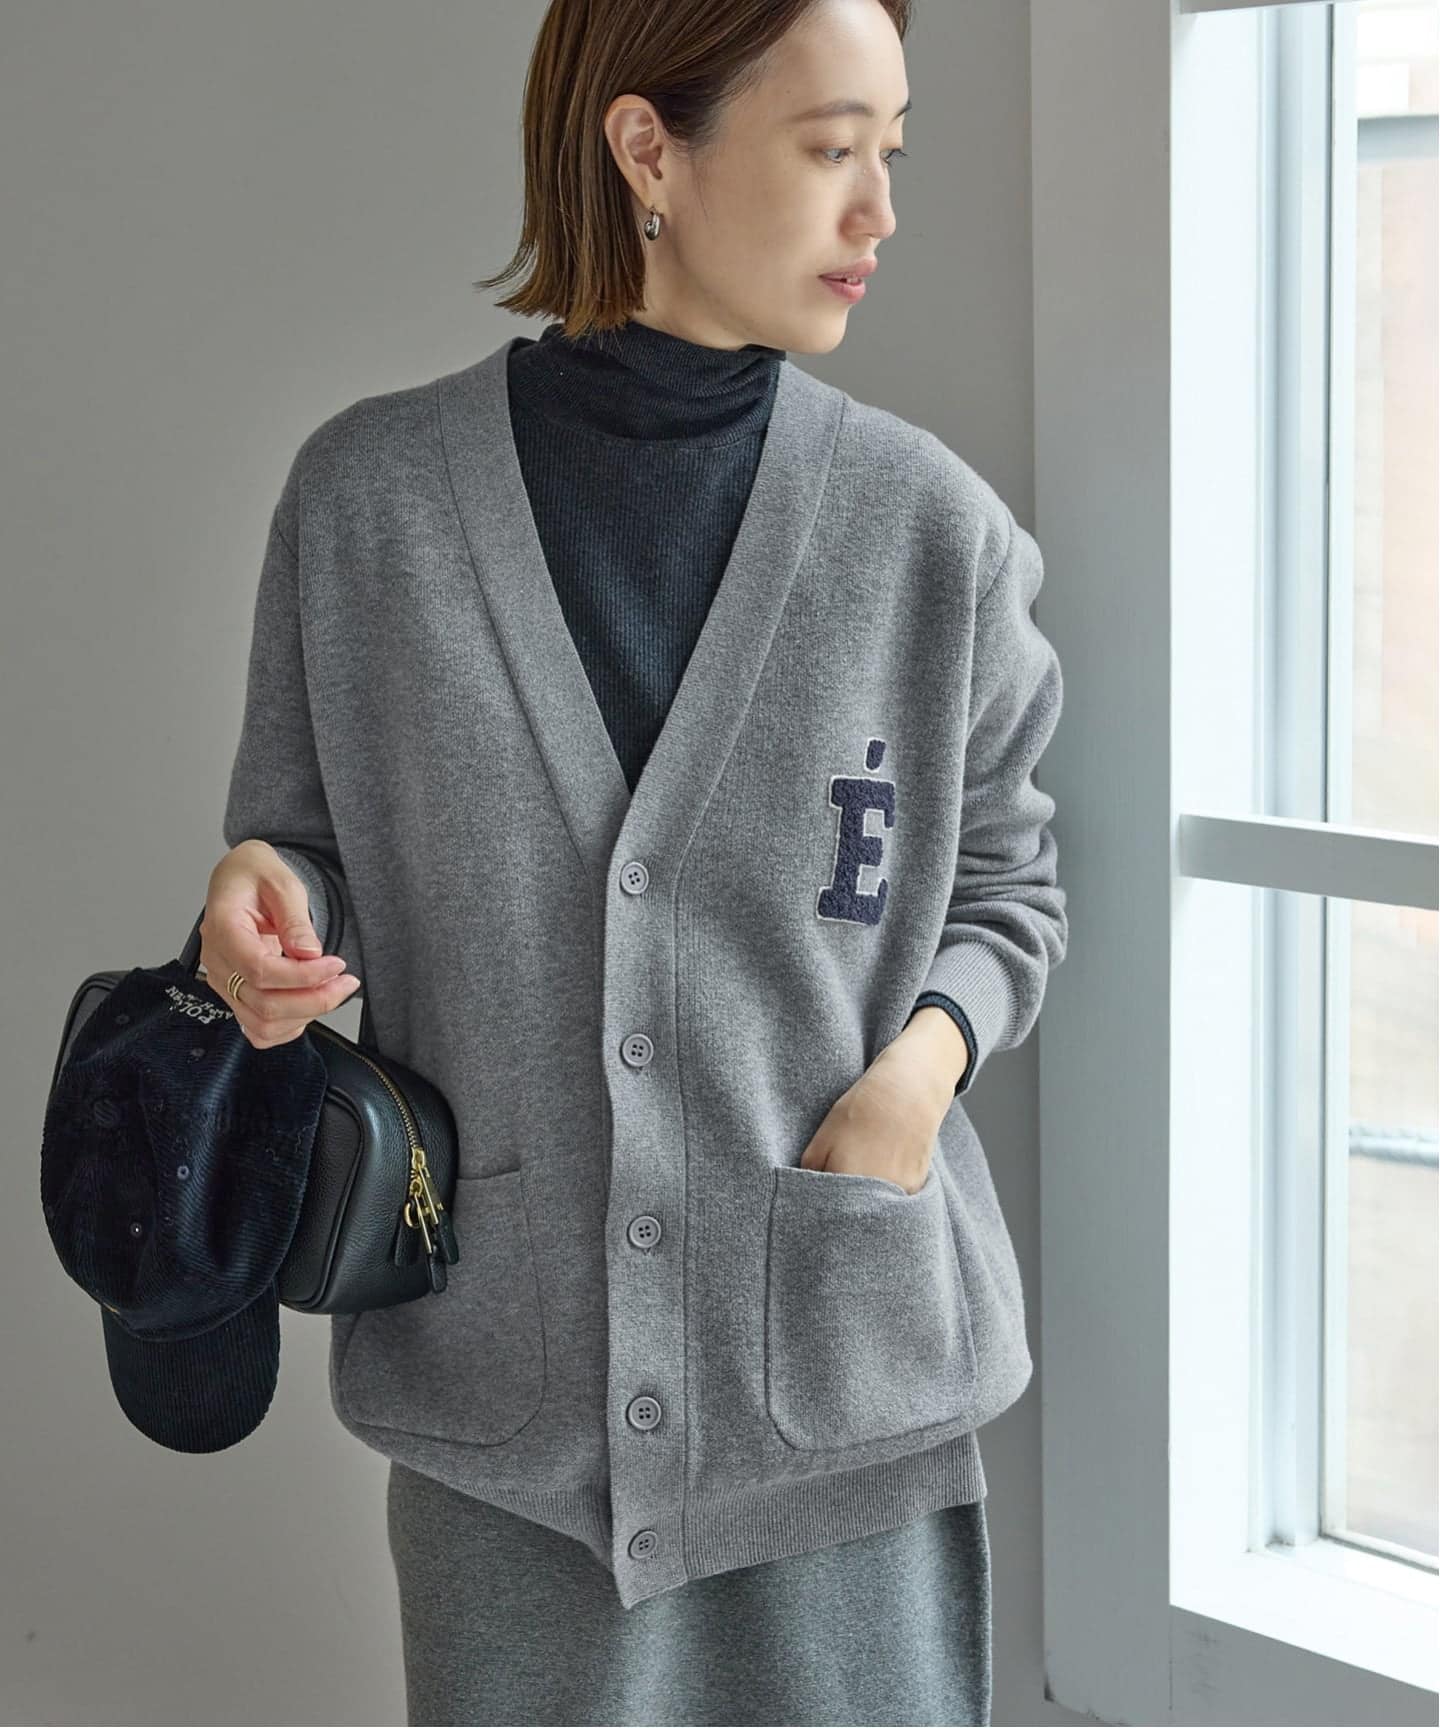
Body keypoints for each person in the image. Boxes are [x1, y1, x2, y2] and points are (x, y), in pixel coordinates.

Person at [208, 0, 1069, 1720]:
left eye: (892, 152)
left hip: (844, 1386)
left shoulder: (932, 534)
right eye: (832, 149)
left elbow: (1008, 888)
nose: (880, 211)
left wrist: (915, 1076)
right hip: (514, 1413)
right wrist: (261, 909)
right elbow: (302, 846)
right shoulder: (368, 506)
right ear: (645, 148)